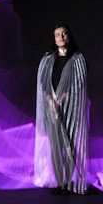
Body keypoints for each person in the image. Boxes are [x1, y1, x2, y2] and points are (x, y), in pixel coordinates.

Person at [34, 23, 89, 195]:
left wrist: (61, 100)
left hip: (71, 109)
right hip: (51, 108)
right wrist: (51, 101)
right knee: (55, 146)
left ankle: (69, 181)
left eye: (64, 33)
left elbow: (78, 83)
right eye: (58, 34)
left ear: (69, 36)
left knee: (70, 145)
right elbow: (43, 84)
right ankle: (59, 182)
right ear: (54, 39)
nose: (61, 37)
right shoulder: (48, 59)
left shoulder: (77, 59)